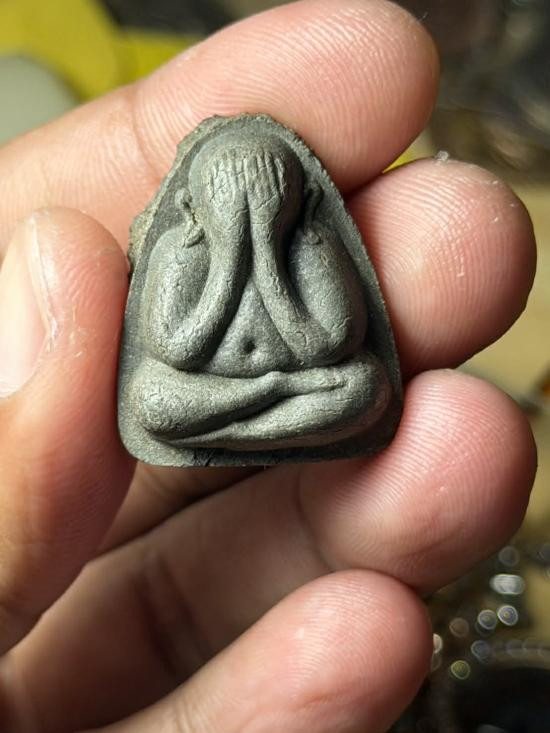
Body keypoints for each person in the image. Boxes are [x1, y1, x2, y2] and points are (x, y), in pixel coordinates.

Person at [0, 1, 537, 731]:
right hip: (227, 392)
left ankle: (268, 411)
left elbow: (327, 340)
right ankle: (273, 409)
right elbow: (179, 349)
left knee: (364, 388)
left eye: (264, 202)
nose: (249, 215)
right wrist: (229, 259)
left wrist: (271, 256)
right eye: (234, 204)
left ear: (291, 200)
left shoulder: (309, 242)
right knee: (153, 400)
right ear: (202, 204)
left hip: (289, 387)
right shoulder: (181, 246)